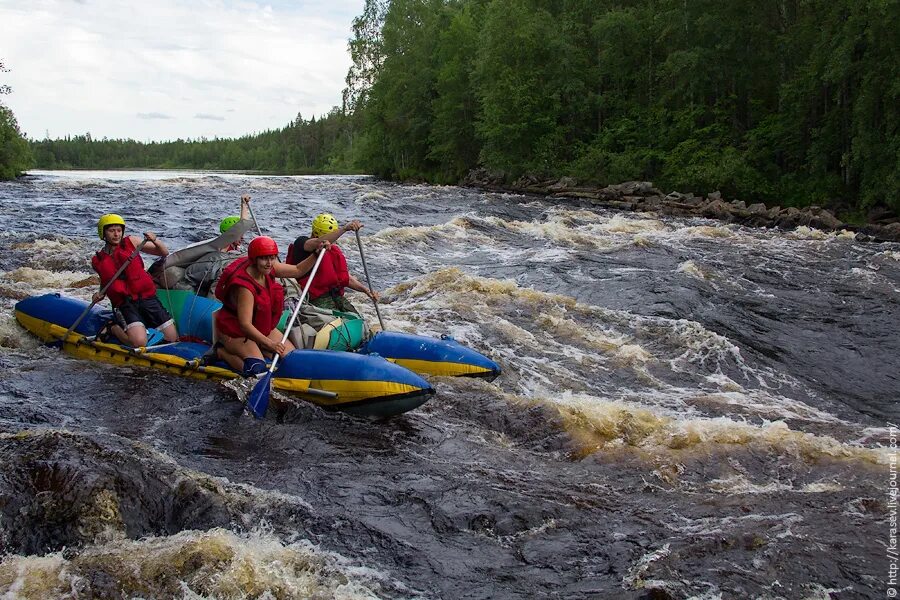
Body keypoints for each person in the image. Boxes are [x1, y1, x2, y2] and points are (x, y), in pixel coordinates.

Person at [213, 235, 329, 375]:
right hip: (237, 331)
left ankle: (262, 348)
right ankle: (221, 352)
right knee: (255, 368)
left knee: (292, 360)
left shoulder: (269, 268)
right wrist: (270, 344)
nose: (269, 263)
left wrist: (316, 254)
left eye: (272, 257)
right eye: (264, 258)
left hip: (261, 325)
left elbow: (298, 270)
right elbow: (245, 325)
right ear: (254, 259)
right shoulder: (245, 289)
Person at [92, 213, 178, 347]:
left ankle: (144, 325)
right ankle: (113, 328)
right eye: (111, 231)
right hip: (125, 304)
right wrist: (99, 294)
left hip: (148, 298)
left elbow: (163, 252)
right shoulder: (98, 260)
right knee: (139, 343)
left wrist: (155, 240)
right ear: (103, 233)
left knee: (172, 338)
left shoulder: (132, 242)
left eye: (119, 230)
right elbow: (107, 281)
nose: (116, 234)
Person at [151, 194, 254, 296]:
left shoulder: (237, 249)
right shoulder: (220, 246)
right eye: (240, 236)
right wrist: (243, 205)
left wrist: (244, 205)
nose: (242, 238)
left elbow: (241, 227)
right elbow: (239, 227)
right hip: (193, 278)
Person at [287, 213, 378, 315]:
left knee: (356, 318)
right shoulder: (302, 243)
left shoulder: (332, 250)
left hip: (335, 296)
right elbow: (318, 242)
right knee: (338, 321)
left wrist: (366, 290)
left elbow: (345, 278)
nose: (332, 241)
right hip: (314, 298)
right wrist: (344, 229)